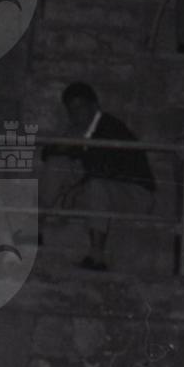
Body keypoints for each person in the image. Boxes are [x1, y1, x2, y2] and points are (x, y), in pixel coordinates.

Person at [37, 82, 156, 273]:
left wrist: (75, 189)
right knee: (57, 164)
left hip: (136, 194)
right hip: (101, 193)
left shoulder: (110, 127)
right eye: (71, 110)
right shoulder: (80, 130)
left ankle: (97, 257)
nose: (77, 114)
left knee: (96, 185)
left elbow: (106, 169)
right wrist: (67, 143)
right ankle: (35, 228)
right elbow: (48, 152)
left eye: (81, 107)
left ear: (94, 106)